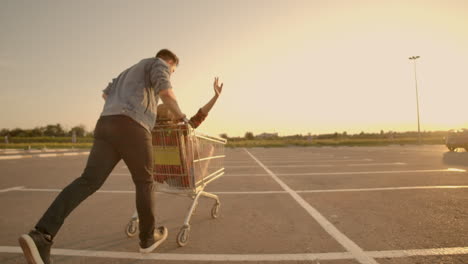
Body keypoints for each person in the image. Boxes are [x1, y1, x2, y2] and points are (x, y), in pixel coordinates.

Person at [19, 49, 193, 264]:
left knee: (88, 181)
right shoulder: (158, 64)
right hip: (133, 126)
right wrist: (183, 118)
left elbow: (105, 95)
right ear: (170, 62)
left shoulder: (125, 73)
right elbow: (166, 93)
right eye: (172, 70)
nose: (170, 73)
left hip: (106, 124)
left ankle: (42, 234)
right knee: (145, 182)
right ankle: (147, 238)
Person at [153, 77, 223, 187]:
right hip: (186, 180)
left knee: (191, 142)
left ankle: (200, 171)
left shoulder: (151, 133)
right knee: (208, 146)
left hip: (165, 178)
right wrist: (215, 97)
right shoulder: (180, 131)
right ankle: (202, 172)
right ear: (173, 117)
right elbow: (200, 116)